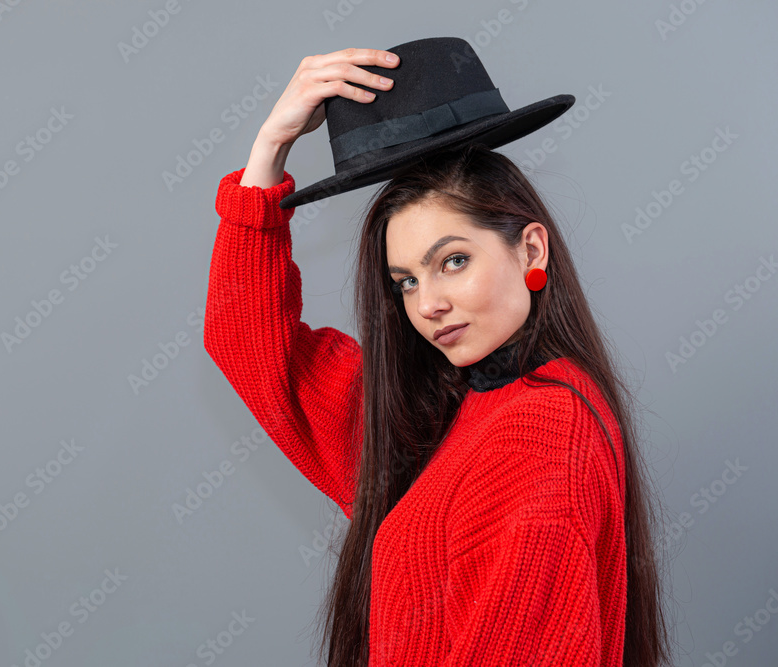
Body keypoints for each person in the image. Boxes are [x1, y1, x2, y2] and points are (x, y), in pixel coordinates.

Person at [203, 40, 674, 667]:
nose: (428, 304)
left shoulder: (542, 432)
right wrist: (269, 148)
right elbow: (250, 345)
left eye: (453, 261)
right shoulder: (438, 414)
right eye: (405, 281)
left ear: (531, 251)